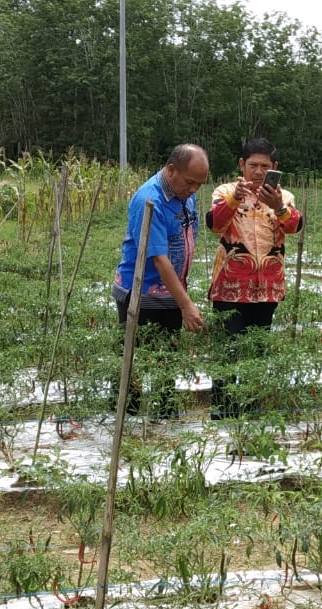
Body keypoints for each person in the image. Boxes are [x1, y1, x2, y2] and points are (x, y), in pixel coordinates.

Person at [205, 138, 302, 418]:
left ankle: (250, 411)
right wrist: (236, 197)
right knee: (227, 352)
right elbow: (215, 224)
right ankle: (222, 413)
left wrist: (279, 207)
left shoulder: (284, 197)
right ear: (241, 165)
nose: (259, 172)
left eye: (265, 166)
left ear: (275, 167)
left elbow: (296, 226)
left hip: (268, 288)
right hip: (230, 287)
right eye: (253, 166)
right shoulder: (225, 191)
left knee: (257, 353)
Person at [112, 143, 210, 416]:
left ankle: (165, 421)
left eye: (199, 185)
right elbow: (159, 258)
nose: (193, 190)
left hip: (170, 293)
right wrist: (186, 304)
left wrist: (181, 298)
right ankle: (124, 421)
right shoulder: (150, 200)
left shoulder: (185, 196)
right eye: (190, 182)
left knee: (167, 361)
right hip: (140, 292)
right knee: (132, 362)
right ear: (171, 170)